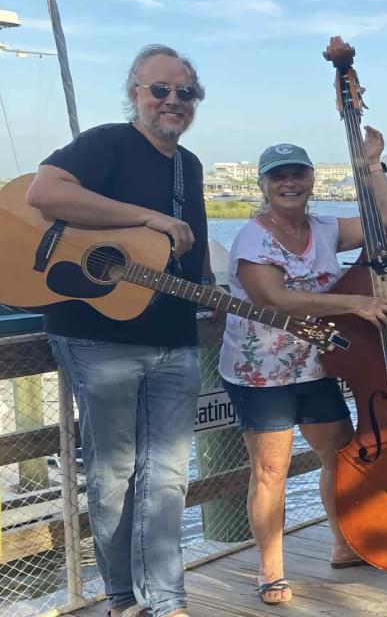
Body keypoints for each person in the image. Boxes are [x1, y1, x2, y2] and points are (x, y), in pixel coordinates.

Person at [26, 45, 210, 617]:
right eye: (160, 90)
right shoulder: (106, 141)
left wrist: (218, 299)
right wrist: (145, 217)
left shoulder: (191, 165)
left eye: (185, 92)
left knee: (169, 478)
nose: (172, 101)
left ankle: (166, 600)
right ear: (135, 92)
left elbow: (193, 253)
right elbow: (44, 192)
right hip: (96, 335)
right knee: (111, 475)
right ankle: (123, 597)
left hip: (175, 333)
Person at [219, 139, 387, 605]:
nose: (289, 183)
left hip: (318, 364)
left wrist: (372, 165)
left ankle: (345, 543)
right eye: (278, 176)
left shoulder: (325, 228)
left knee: (340, 454)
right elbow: (272, 298)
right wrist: (354, 303)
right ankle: (271, 570)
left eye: (297, 173)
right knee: (271, 469)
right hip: (261, 373)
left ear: (311, 179)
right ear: (262, 185)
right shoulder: (252, 237)